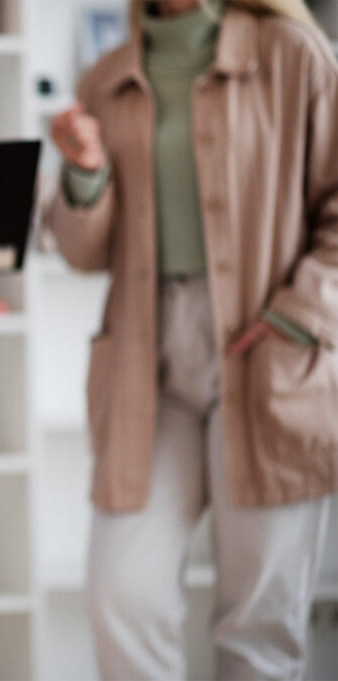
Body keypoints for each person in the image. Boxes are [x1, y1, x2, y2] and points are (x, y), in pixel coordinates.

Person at [47, 0, 337, 678]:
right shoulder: (105, 77)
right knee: (121, 589)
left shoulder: (295, 53)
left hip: (272, 351)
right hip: (147, 360)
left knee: (259, 620)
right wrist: (84, 173)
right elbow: (84, 250)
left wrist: (300, 315)